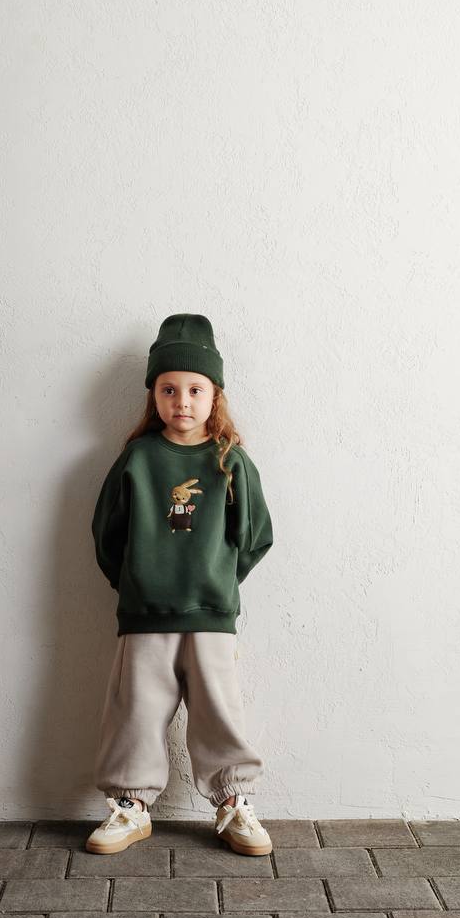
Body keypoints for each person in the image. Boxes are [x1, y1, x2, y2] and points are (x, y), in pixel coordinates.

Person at [85, 313, 274, 856]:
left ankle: (233, 802)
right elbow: (106, 534)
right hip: (145, 615)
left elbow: (256, 536)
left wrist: (216, 582)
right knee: (136, 711)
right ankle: (130, 806)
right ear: (154, 395)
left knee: (220, 711)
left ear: (215, 395)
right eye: (169, 389)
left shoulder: (230, 462)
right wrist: (138, 584)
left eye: (195, 389)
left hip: (211, 615)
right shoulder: (138, 459)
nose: (182, 401)